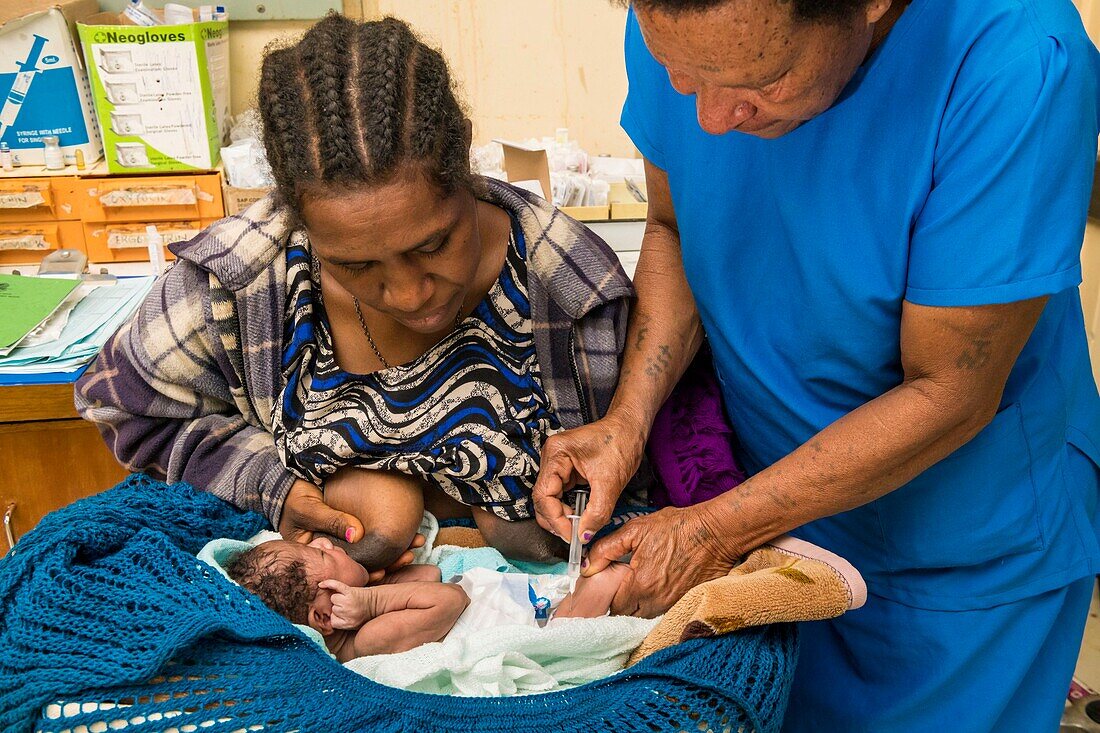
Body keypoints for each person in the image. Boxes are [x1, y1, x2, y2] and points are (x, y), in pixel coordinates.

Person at [532, 0, 1100, 730]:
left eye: (760, 81)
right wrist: (628, 419)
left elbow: (952, 390)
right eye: (681, 76)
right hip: (766, 520)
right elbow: (677, 226)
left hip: (957, 552)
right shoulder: (683, 22)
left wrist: (711, 533)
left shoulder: (1016, 62)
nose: (709, 118)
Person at [75, 14, 635, 572]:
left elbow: (655, 472)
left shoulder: (575, 291)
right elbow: (119, 403)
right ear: (296, 219)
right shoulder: (240, 281)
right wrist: (273, 484)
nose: (411, 294)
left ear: (463, 156)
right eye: (356, 264)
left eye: (434, 244)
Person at [227, 536, 631, 662]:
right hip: (539, 622)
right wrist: (371, 604)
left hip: (521, 599)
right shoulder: (366, 643)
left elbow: (428, 573)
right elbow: (448, 600)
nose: (321, 541)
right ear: (324, 617)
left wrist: (371, 587)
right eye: (321, 555)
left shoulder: (361, 615)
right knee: (610, 577)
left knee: (604, 566)